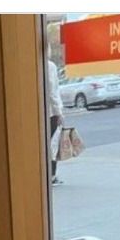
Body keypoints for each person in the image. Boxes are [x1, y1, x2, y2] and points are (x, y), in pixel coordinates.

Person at [47, 49, 64, 184]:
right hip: (51, 112)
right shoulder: (50, 66)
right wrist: (59, 112)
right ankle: (51, 174)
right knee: (53, 144)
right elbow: (53, 91)